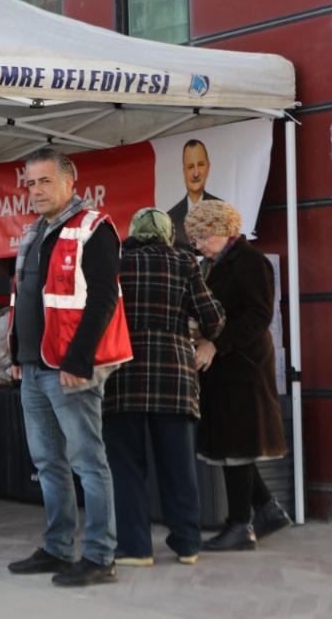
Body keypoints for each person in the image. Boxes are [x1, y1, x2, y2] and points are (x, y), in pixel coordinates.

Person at [6, 148, 132, 587]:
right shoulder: (35, 232)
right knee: (47, 462)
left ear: (69, 182)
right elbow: (26, 299)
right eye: (31, 183)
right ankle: (58, 548)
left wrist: (78, 360)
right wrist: (18, 355)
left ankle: (100, 556)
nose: (36, 190)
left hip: (69, 367)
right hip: (34, 366)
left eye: (44, 181)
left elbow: (103, 298)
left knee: (88, 463)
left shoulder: (93, 229)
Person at [102, 208, 225, 567]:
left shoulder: (116, 263)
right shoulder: (185, 263)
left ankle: (136, 548)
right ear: (169, 234)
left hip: (122, 374)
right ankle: (187, 544)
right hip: (174, 377)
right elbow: (213, 318)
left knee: (126, 467)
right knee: (179, 466)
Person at [187, 200, 291, 551]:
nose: (197, 244)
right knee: (230, 443)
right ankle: (267, 509)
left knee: (237, 445)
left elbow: (258, 316)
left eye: (200, 236)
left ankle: (238, 526)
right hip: (221, 365)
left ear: (221, 229)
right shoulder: (210, 265)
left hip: (244, 364)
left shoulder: (251, 262)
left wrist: (216, 344)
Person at [167, 140, 221, 252]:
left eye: (200, 165)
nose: (196, 173)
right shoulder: (170, 218)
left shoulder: (221, 210)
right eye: (191, 167)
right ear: (184, 171)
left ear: (208, 167)